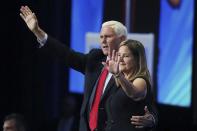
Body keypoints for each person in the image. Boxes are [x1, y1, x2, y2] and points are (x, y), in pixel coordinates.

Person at [19, 5, 158, 131]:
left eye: (108, 37)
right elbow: (67, 54)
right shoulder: (94, 58)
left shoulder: (130, 69)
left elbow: (145, 102)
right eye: (101, 36)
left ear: (121, 39)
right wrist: (38, 32)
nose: (102, 40)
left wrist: (152, 119)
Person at [103, 39, 155, 131]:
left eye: (126, 56)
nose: (120, 59)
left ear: (137, 59)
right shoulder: (118, 81)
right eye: (119, 55)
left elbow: (134, 94)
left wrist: (118, 74)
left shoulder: (140, 80)